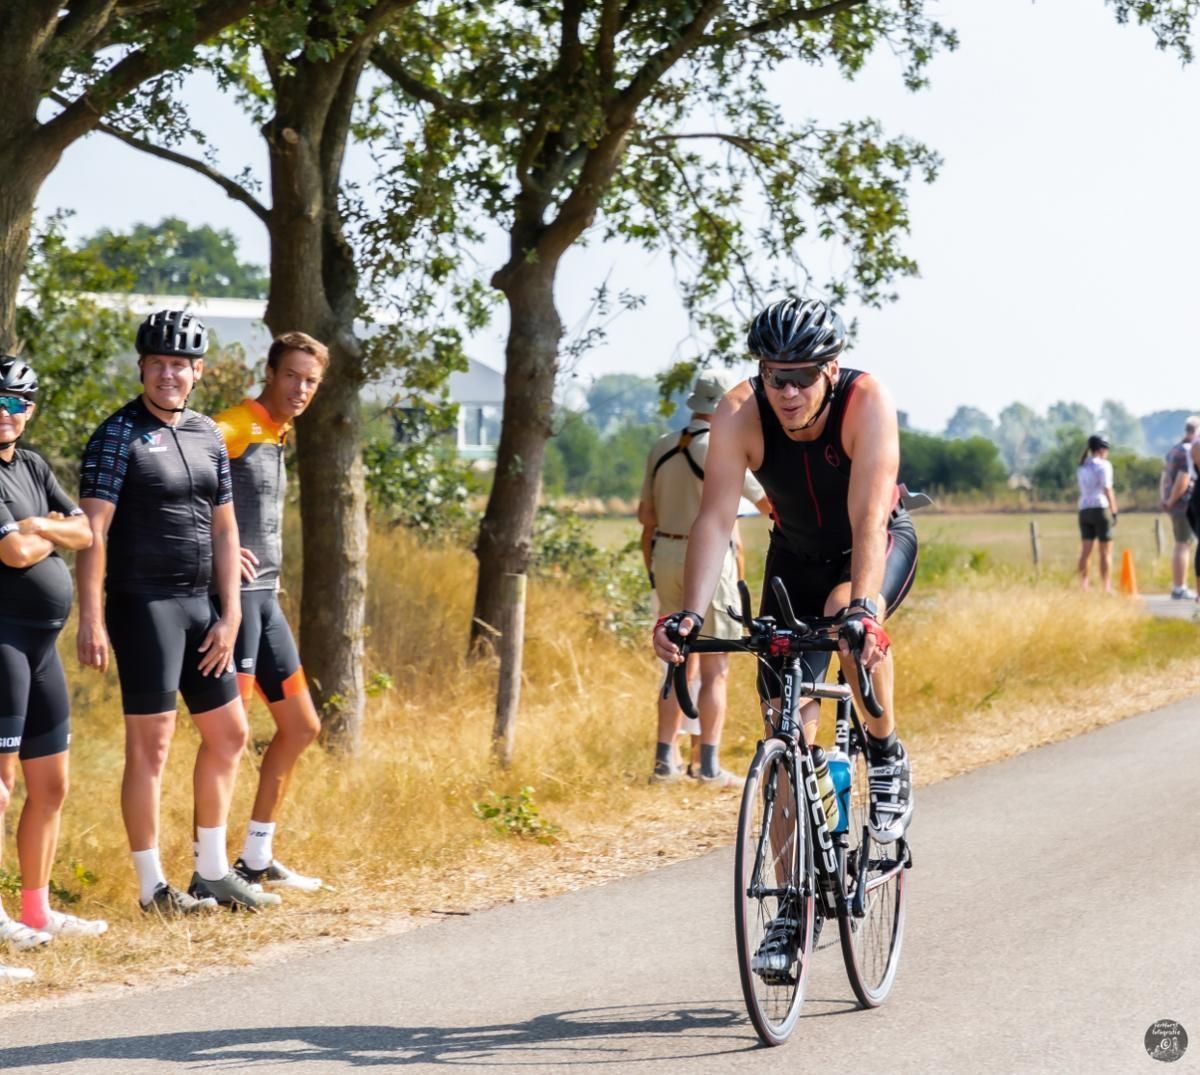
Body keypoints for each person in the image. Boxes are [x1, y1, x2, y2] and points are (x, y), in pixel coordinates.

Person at [653, 297, 917, 846]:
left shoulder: (866, 402)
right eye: (776, 377)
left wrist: (864, 611)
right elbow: (714, 518)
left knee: (845, 618)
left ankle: (886, 753)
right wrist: (689, 614)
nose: (788, 392)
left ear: (831, 370)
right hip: (793, 558)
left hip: (872, 544)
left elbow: (869, 519)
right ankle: (789, 891)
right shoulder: (738, 413)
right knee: (784, 732)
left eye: (802, 377)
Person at [76, 310, 278, 914]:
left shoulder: (208, 434)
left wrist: (231, 614)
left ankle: (211, 871)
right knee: (153, 746)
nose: (169, 374)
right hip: (144, 606)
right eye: (158, 364)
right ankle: (152, 888)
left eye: (180, 365)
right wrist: (91, 619)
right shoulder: (117, 435)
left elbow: (225, 528)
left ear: (198, 372)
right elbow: (93, 532)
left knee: (230, 732)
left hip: (203, 607)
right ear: (142, 368)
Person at [0, 358, 105, 982]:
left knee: (51, 785)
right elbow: (12, 552)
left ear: (31, 410)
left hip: (44, 648)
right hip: (3, 644)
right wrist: (48, 532)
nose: (5, 410)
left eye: (17, 401)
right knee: (0, 788)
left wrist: (39, 523)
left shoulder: (34, 466)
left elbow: (87, 530)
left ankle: (36, 911)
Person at [213, 332, 326, 891]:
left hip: (268, 602)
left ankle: (255, 859)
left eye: (311, 381)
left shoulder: (281, 430)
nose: (300, 388)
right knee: (227, 738)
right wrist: (214, 549)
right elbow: (176, 475)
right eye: (291, 376)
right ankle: (209, 871)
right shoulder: (232, 426)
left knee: (302, 727)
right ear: (271, 373)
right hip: (234, 604)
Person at [639, 371, 772, 787]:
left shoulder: (663, 445)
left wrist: (653, 566)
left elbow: (645, 516)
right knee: (716, 667)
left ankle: (665, 760)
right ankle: (708, 765)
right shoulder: (721, 445)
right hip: (709, 560)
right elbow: (768, 504)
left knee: (677, 660)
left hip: (665, 553)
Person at [1160, 417, 1198, 599]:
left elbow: (1165, 477)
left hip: (1174, 503)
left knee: (1181, 543)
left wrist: (1165, 498)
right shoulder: (1188, 451)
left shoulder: (1174, 449)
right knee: (1184, 545)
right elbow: (1183, 478)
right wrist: (1171, 500)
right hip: (1184, 503)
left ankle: (1179, 586)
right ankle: (1179, 587)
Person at [1076, 433, 1118, 593]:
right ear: (1102, 449)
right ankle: (1106, 587)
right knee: (1105, 551)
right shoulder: (1104, 465)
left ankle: (1084, 586)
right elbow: (1107, 489)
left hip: (1084, 509)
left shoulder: (1082, 466)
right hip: (1100, 507)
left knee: (1085, 551)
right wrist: (1114, 510)